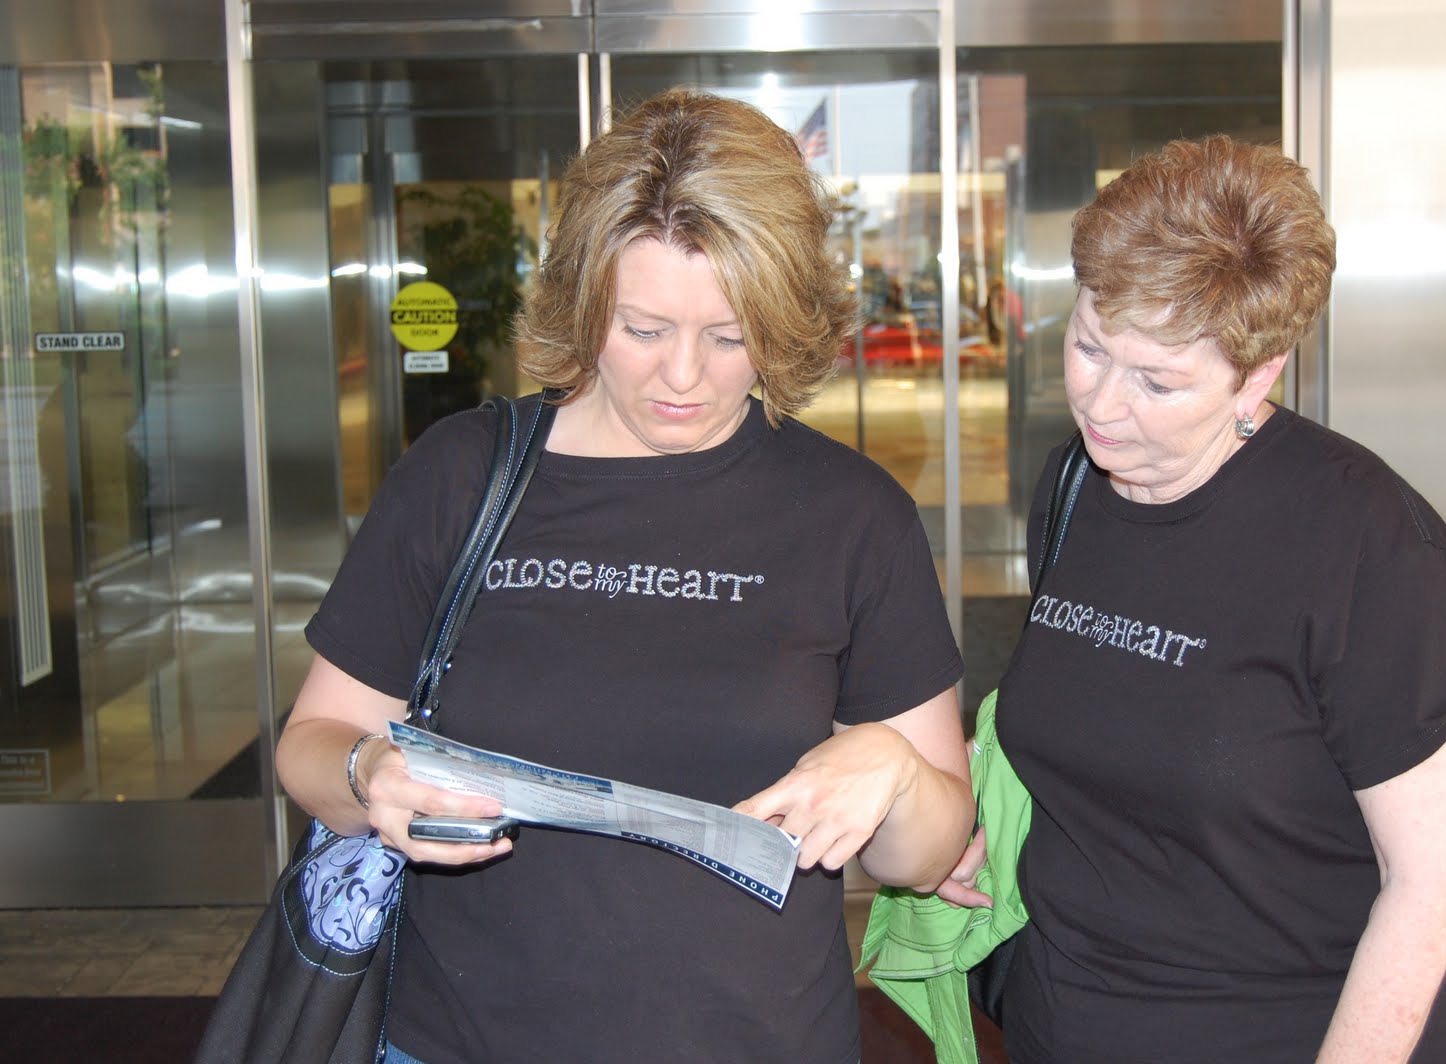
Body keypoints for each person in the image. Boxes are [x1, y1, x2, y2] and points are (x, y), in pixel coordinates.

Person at [276, 88, 974, 1064]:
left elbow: (928, 852)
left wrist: (893, 771)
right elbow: (310, 743)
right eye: (642, 329)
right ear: (581, 300)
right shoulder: (464, 476)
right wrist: (367, 775)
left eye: (729, 335)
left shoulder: (852, 513)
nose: (682, 376)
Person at [938, 135, 1446, 1062]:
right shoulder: (1074, 487)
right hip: (1067, 1021)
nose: (1101, 404)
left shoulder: (1367, 543)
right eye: (1089, 346)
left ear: (1261, 370)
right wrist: (994, 818)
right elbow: (1116, 721)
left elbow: (1434, 880)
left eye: (1157, 381)